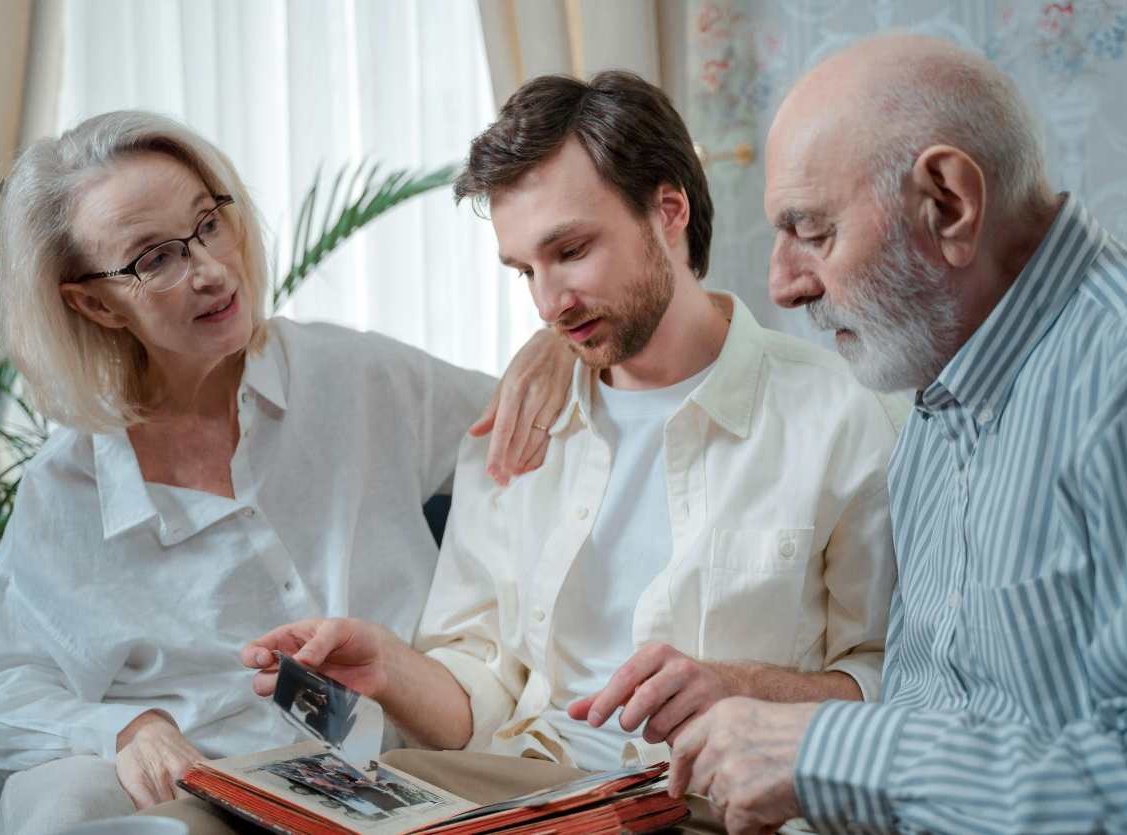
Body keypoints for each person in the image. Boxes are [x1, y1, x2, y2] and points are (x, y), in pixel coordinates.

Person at [242, 70, 902, 791]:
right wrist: (390, 667)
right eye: (524, 269)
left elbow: (895, 683)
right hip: (525, 798)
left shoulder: (844, 416)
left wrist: (745, 690)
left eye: (571, 251)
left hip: (713, 802)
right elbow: (483, 698)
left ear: (669, 211)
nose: (548, 303)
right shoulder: (519, 427)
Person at [0, 110, 574, 835]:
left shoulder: (356, 376)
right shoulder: (68, 489)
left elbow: (543, 420)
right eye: (156, 259)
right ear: (93, 302)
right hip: (190, 800)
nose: (211, 271)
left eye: (208, 224)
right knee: (56, 802)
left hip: (401, 779)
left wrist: (555, 349)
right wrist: (123, 729)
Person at [666, 33, 1127, 834]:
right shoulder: (934, 393)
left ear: (949, 202)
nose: (781, 284)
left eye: (812, 231)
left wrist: (828, 751)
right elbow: (948, 722)